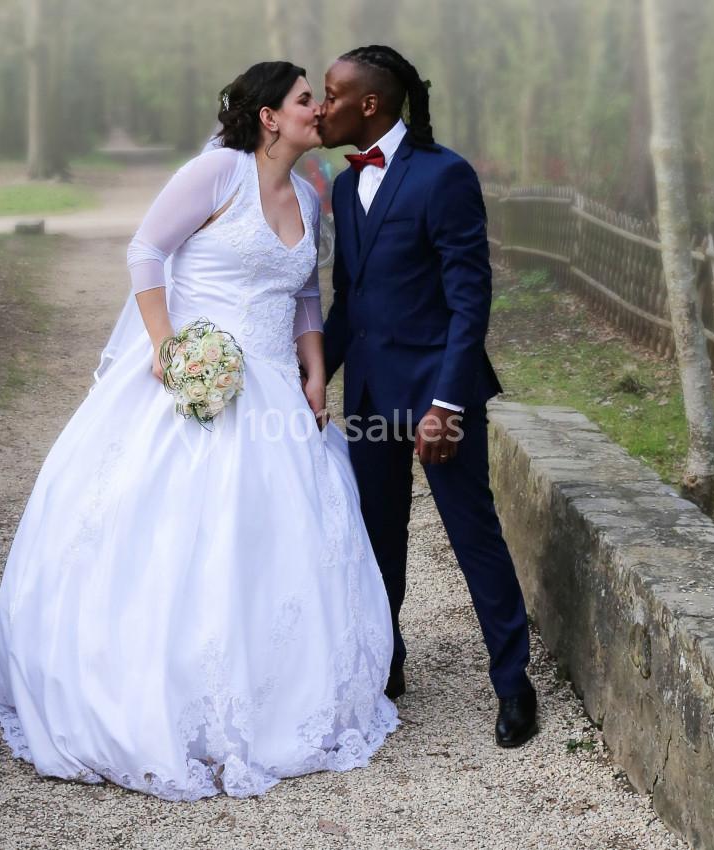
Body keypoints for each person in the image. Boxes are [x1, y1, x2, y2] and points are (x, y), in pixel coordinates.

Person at [0, 61, 399, 802]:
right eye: (306, 100)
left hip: (275, 393)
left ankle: (281, 694)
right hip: (197, 380)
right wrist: (169, 348)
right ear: (269, 115)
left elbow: (303, 290)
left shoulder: (307, 194)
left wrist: (312, 369)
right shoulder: (216, 174)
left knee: (281, 542)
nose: (317, 111)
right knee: (180, 535)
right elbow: (145, 251)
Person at [317, 45, 539, 748]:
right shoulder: (344, 189)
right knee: (377, 539)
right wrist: (315, 374)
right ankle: (388, 662)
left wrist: (447, 403)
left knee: (474, 538)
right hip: (372, 398)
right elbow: (350, 300)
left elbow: (469, 301)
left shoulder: (444, 176)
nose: (321, 107)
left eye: (331, 93)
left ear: (370, 104)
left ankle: (514, 685)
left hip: (440, 399)